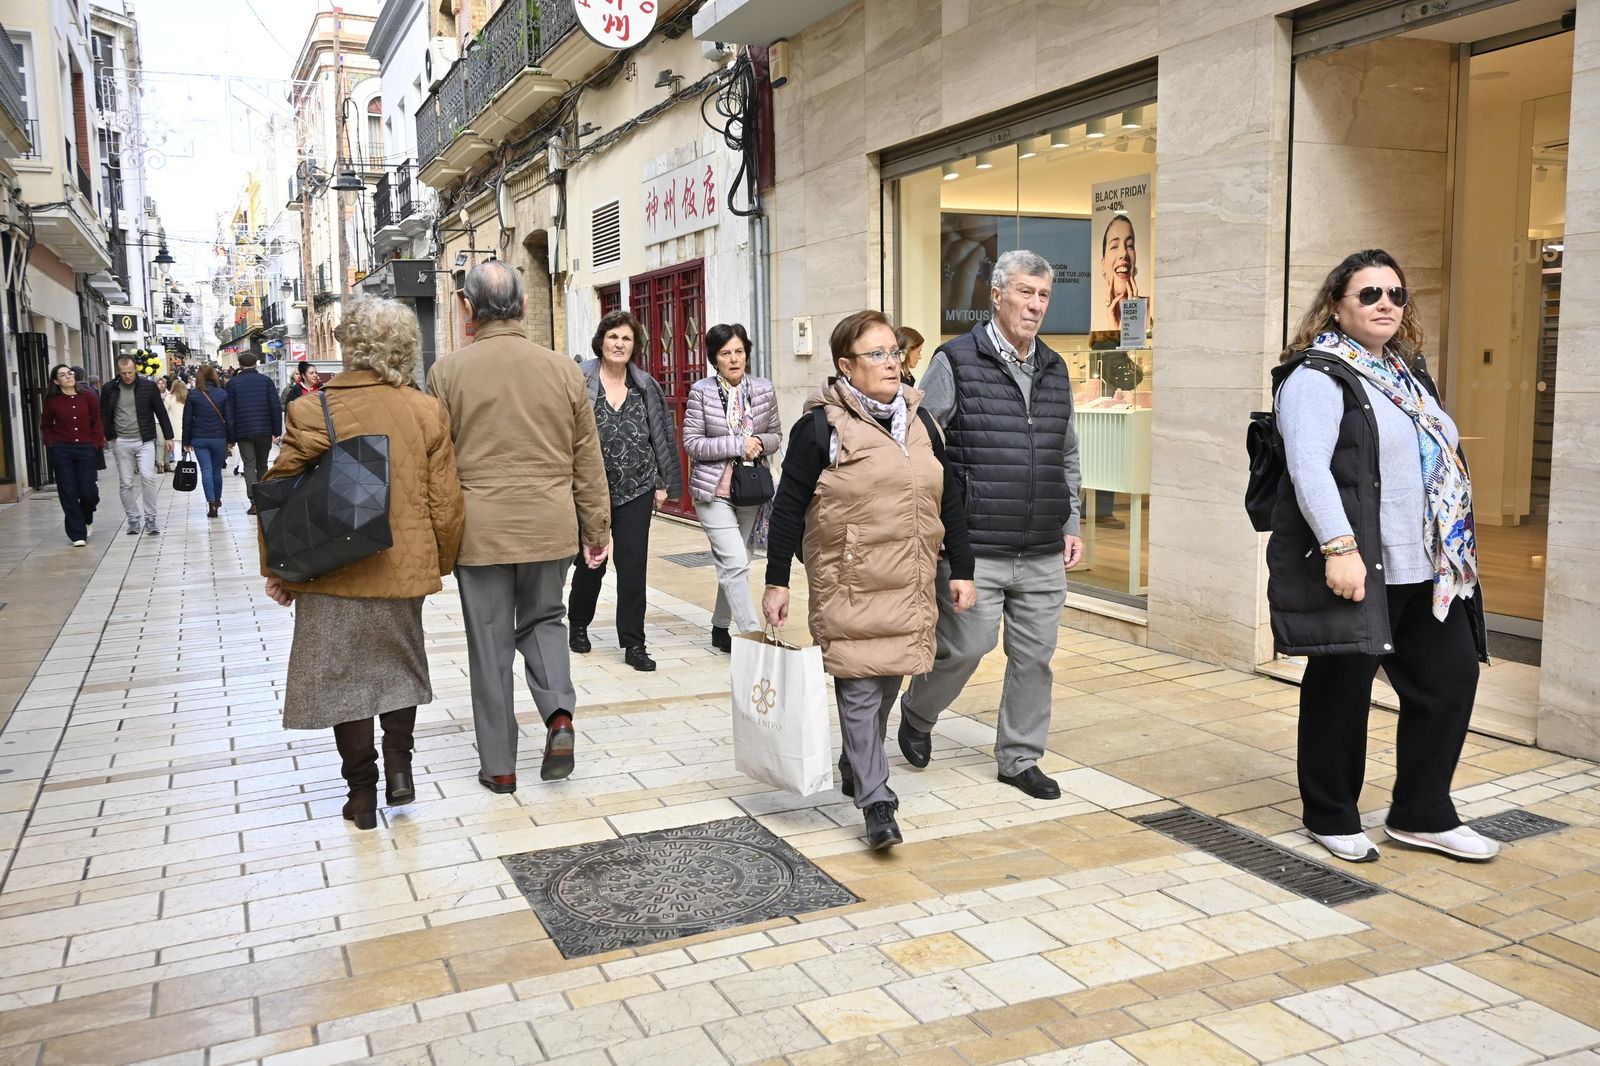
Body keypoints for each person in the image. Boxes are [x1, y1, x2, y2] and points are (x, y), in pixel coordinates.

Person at [1269, 249, 1496, 864]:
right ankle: (1331, 813)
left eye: (1396, 294)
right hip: (1362, 567)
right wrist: (1339, 549)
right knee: (1340, 691)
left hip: (1427, 568)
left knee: (1450, 681)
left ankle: (1422, 812)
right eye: (1369, 294)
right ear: (1337, 306)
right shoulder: (1317, 376)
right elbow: (1309, 469)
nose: (1386, 304)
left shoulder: (1405, 373)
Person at [763, 312, 976, 850]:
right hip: (850, 581)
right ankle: (877, 802)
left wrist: (963, 568)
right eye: (877, 354)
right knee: (859, 683)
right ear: (845, 366)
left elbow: (949, 497)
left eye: (895, 352)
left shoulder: (921, 422)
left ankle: (858, 760)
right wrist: (778, 579)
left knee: (887, 682)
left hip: (909, 580)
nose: (891, 363)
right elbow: (787, 507)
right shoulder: (820, 429)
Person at [260, 297, 464, 831]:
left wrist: (279, 570)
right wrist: (436, 562)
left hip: (333, 570)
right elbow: (447, 502)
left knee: (344, 683)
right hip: (401, 568)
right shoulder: (425, 410)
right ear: (403, 346)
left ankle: (362, 795)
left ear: (350, 347)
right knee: (398, 669)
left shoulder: (313, 408)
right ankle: (401, 769)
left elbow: (278, 493)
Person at [901, 250, 1083, 800]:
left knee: (1035, 659)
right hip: (976, 546)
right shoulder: (954, 361)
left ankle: (1020, 757)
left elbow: (1067, 452)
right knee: (966, 647)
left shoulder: (1053, 367)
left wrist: (1071, 517)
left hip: (1043, 545)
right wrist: (938, 533)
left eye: (1043, 295)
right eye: (1025, 292)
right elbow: (920, 446)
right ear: (996, 295)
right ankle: (918, 710)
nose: (1034, 305)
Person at [428, 261, 611, 793]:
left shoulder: (447, 374)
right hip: (548, 523)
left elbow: (439, 468)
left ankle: (500, 767)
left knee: (489, 643)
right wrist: (596, 526)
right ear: (526, 306)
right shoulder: (563, 371)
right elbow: (586, 456)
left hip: (480, 530)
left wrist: (439, 541)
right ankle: (558, 715)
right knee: (545, 620)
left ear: (468, 307)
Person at [568, 310, 683, 672]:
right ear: (601, 340)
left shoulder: (646, 384)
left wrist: (663, 482)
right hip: (592, 490)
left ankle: (634, 643)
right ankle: (578, 623)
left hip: (638, 487)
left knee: (633, 569)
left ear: (635, 346)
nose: (619, 344)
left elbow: (661, 436)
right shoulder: (579, 379)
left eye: (626, 339)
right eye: (613, 337)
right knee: (592, 563)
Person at [681, 323, 782, 653]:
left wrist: (759, 443)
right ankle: (754, 638)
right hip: (713, 492)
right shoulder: (702, 391)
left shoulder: (763, 389)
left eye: (739, 351)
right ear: (715, 358)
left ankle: (719, 626)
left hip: (751, 489)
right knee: (736, 561)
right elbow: (693, 443)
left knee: (734, 563)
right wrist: (738, 444)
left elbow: (776, 436)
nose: (734, 358)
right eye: (726, 353)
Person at [100, 354, 175, 536]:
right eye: (124, 373)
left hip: (145, 439)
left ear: (136, 370)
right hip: (121, 440)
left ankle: (151, 519)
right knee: (125, 482)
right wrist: (108, 435)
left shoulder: (148, 387)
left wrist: (168, 436)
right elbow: (103, 413)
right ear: (118, 371)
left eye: (131, 372)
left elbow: (161, 411)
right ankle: (133, 519)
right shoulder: (109, 388)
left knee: (148, 478)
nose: (127, 376)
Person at [41, 365, 103, 547]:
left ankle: (87, 515)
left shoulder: (88, 396)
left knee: (88, 491)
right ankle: (77, 533)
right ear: (56, 381)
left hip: (86, 448)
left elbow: (97, 420)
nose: (68, 376)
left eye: (70, 373)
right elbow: (45, 425)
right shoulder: (52, 401)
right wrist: (51, 443)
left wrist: (96, 443)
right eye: (62, 375)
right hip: (62, 450)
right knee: (68, 490)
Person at [227, 350, 284, 512]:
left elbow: (229, 412)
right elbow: (274, 406)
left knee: (249, 465)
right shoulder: (266, 381)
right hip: (264, 430)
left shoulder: (232, 384)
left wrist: (231, 436)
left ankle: (253, 502)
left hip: (243, 431)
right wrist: (276, 430)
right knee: (262, 464)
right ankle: (264, 498)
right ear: (255, 364)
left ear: (240, 365)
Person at [183, 365, 235, 519]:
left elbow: (187, 420)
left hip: (199, 438)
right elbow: (229, 419)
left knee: (205, 470)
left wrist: (186, 441)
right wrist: (231, 439)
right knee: (216, 471)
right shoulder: (222, 394)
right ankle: (217, 499)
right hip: (219, 437)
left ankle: (211, 503)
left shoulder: (193, 395)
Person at [1099, 213, 1139, 331]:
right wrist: (1114, 326)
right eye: (1114, 246)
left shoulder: (1149, 313)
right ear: (1103, 265)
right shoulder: (1095, 320)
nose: (1124, 254)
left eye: (1129, 245)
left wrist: (1133, 310)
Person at [154, 378, 174, 473]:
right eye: (159, 383)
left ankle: (167, 463)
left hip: (169, 422)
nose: (161, 385)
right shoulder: (153, 395)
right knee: (161, 443)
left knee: (168, 443)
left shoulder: (170, 395)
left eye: (163, 383)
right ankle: (160, 464)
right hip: (157, 421)